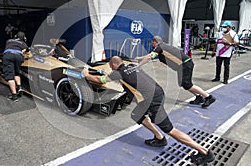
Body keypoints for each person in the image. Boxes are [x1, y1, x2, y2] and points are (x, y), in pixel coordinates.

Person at [82, 56, 215, 165]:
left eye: (111, 67)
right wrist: (112, 75)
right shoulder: (131, 66)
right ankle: (159, 137)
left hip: (151, 100)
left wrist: (86, 74)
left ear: (113, 65)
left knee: (170, 130)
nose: (111, 69)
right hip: (157, 92)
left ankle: (204, 152)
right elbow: (127, 78)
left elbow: (99, 80)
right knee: (136, 114)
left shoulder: (118, 73)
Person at [136, 36, 216, 108]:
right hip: (183, 66)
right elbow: (150, 55)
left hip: (185, 65)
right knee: (183, 84)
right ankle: (199, 97)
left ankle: (208, 97)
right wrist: (140, 58)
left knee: (188, 85)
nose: (152, 44)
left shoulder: (160, 47)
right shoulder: (163, 47)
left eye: (152, 43)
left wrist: (139, 65)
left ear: (155, 42)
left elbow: (150, 57)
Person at [2, 31, 28, 102]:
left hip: (8, 55)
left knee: (10, 75)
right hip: (18, 56)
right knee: (17, 72)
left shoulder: (9, 40)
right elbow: (26, 50)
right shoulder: (23, 43)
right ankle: (19, 87)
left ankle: (14, 96)